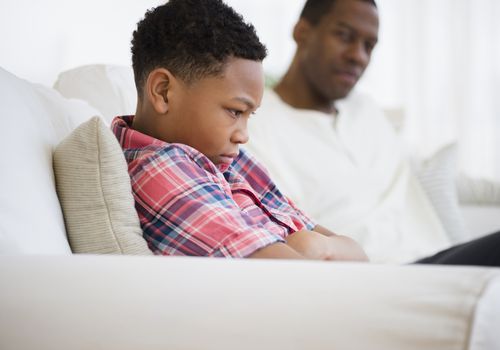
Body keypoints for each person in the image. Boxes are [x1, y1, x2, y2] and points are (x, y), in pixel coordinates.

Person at [112, 0, 500, 266]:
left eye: (249, 115)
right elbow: (289, 275)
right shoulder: (164, 169)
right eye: (235, 112)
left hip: (368, 280)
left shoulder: (229, 157)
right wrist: (314, 247)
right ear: (163, 92)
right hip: (359, 294)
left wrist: (312, 245)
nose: (245, 133)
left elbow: (347, 250)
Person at [243, 0, 491, 263]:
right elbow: (283, 229)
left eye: (368, 46)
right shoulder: (255, 126)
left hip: (443, 260)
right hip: (382, 276)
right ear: (302, 32)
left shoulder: (366, 110)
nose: (358, 56)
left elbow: (424, 170)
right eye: (344, 36)